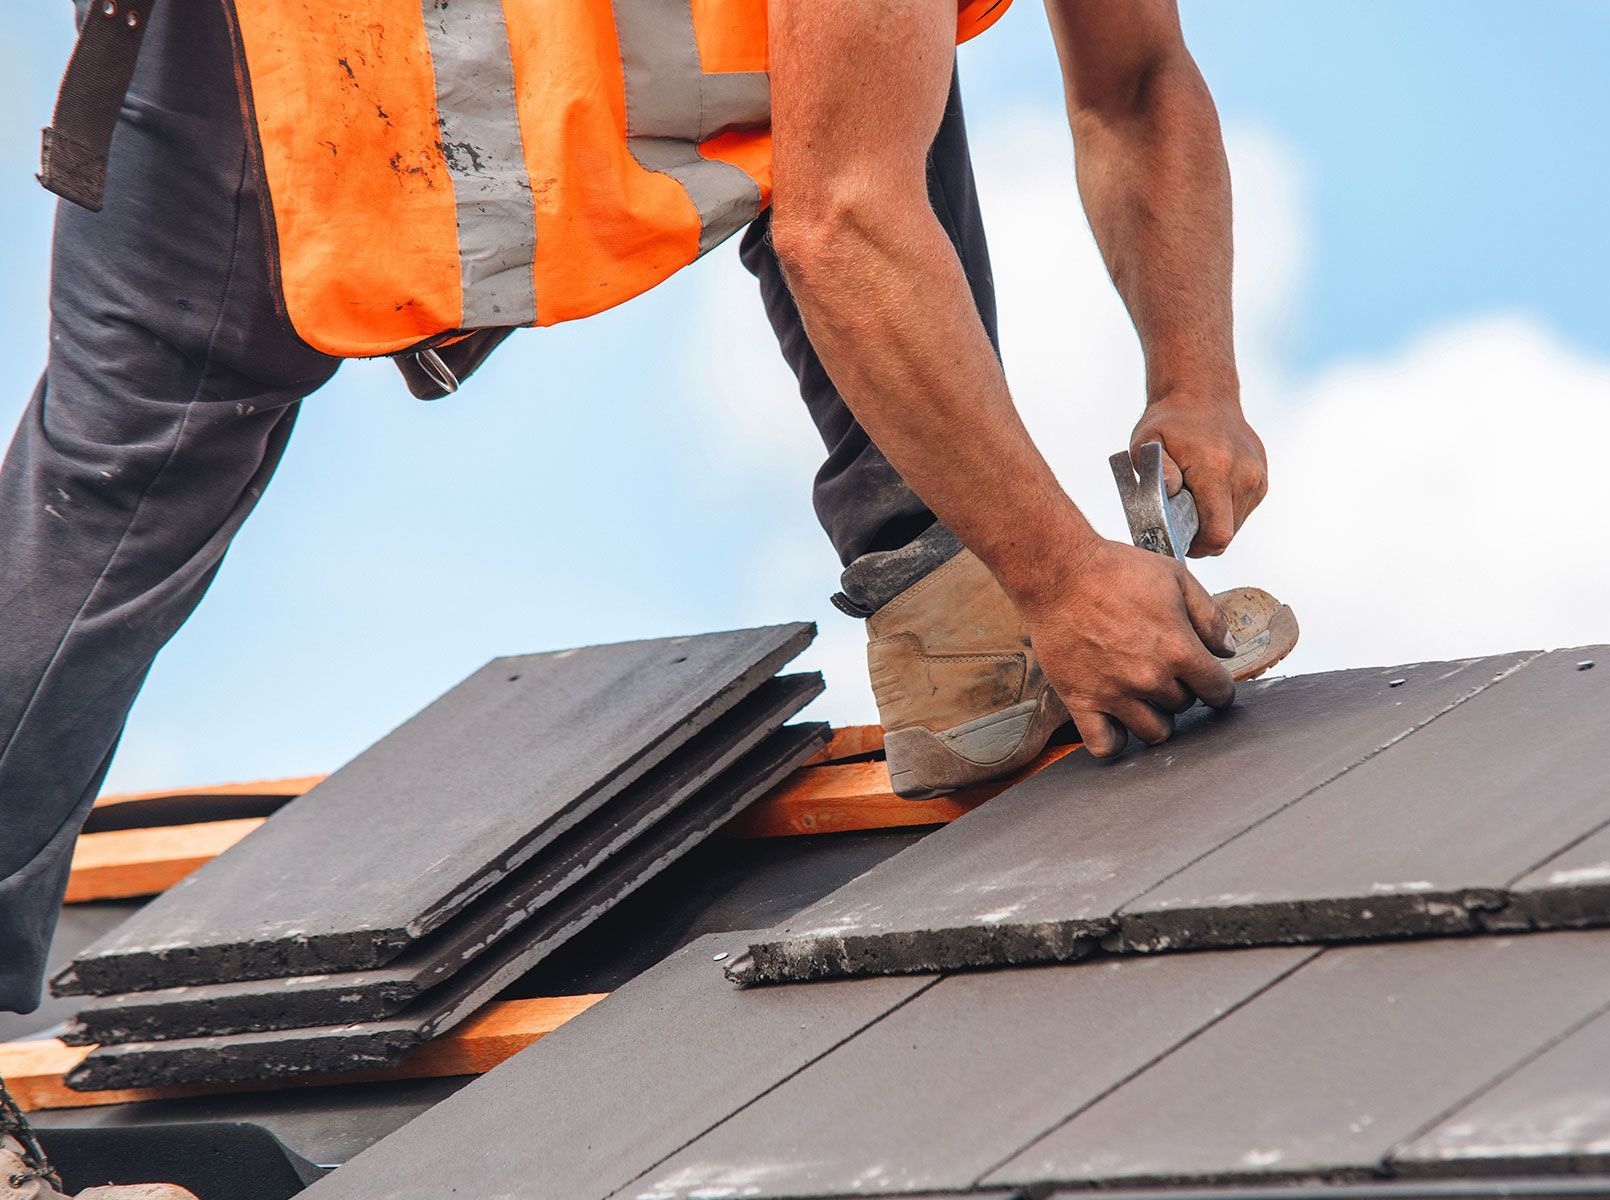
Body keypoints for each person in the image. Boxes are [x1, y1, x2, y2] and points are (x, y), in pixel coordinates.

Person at [0, 0, 1269, 1024]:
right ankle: (980, 595)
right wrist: (1060, 577)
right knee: (118, 483)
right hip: (284, 48)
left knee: (869, 72)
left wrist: (1195, 378)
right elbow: (840, 220)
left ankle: (952, 612)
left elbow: (1136, 76)